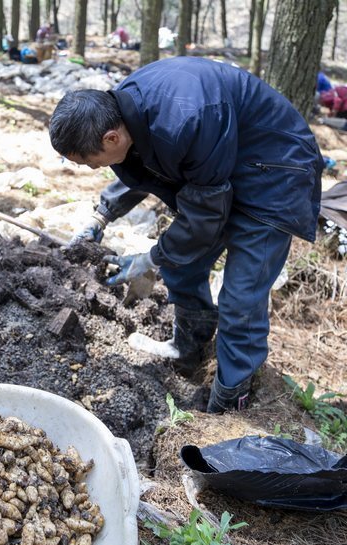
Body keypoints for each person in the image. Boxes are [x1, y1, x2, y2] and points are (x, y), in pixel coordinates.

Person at [49, 57, 322, 413]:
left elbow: (204, 214)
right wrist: (102, 216)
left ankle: (229, 404)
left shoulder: (185, 120)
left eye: (88, 162)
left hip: (276, 173)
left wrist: (150, 257)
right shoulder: (121, 110)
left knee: (240, 299)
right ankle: (188, 348)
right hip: (222, 170)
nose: (90, 168)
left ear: (111, 137)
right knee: (182, 262)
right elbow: (141, 165)